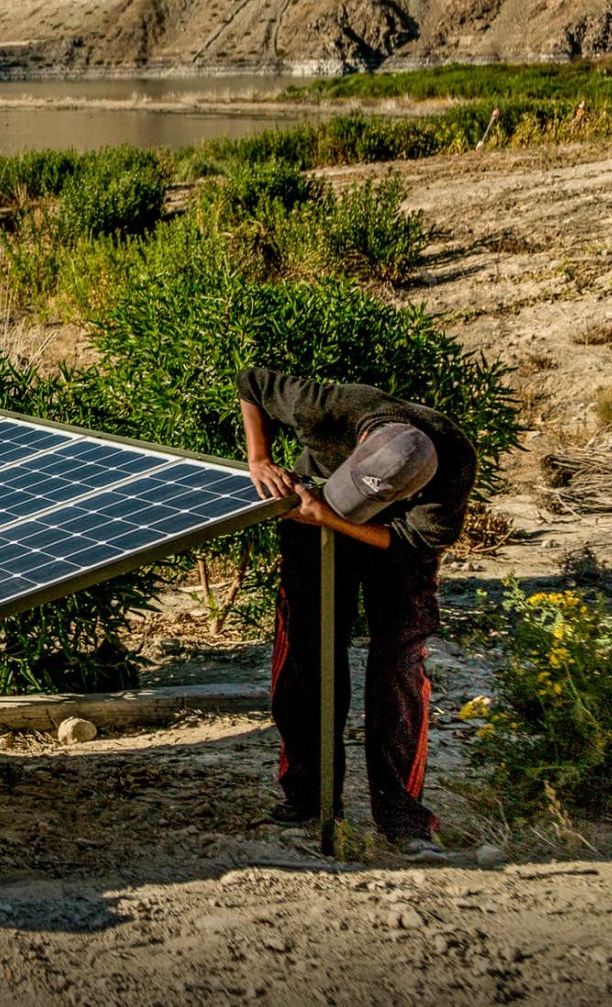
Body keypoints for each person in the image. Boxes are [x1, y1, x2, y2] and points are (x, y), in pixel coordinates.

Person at [237, 367, 477, 857]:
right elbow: (250, 382)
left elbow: (410, 540)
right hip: (313, 509)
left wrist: (334, 518)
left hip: (396, 545)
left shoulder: (453, 464)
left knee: (399, 670)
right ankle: (309, 802)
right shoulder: (329, 407)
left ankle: (403, 819)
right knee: (309, 655)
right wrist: (259, 460)